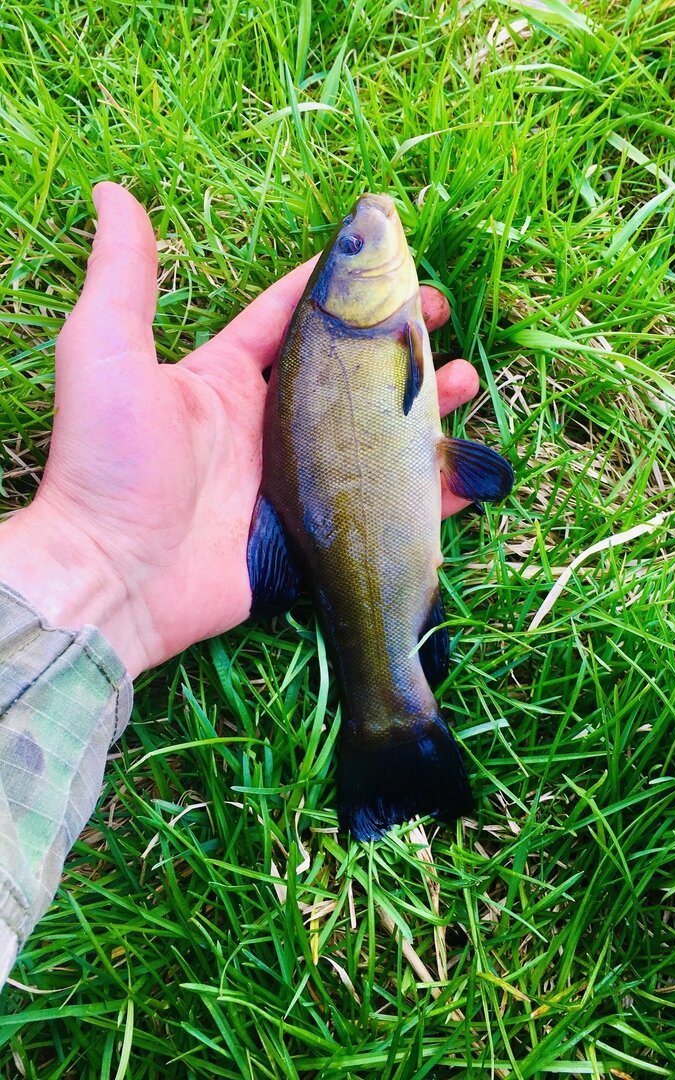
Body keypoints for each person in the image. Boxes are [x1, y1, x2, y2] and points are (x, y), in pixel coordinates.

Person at [0, 183, 480, 988]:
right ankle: (393, 720)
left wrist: (91, 554)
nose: (371, 224)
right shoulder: (374, 330)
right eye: (353, 249)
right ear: (340, 289)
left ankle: (396, 727)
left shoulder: (362, 330)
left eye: (353, 244)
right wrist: (96, 548)